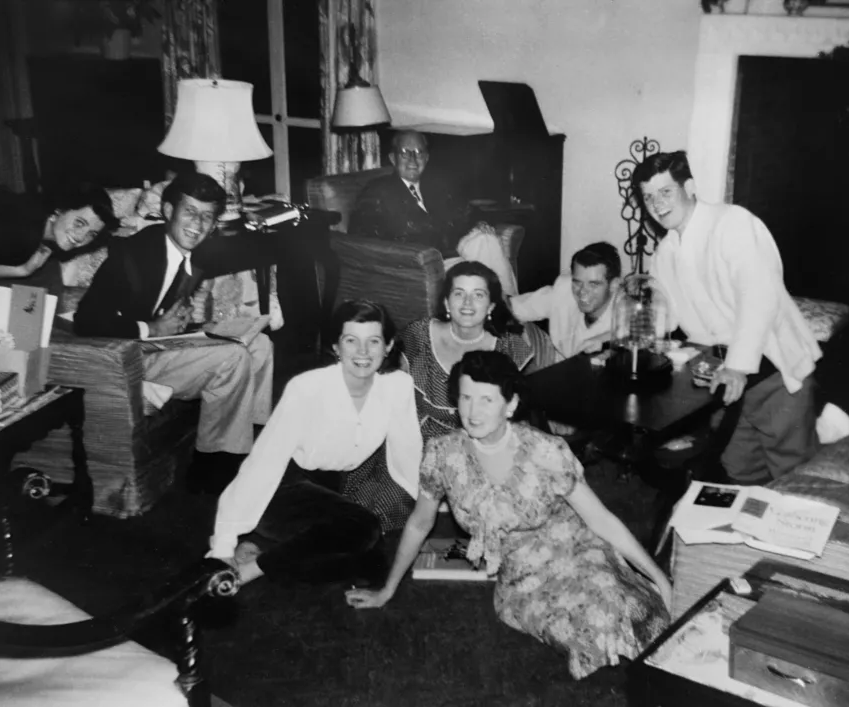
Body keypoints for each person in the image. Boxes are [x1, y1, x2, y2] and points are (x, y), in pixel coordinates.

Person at [345, 350, 671, 679]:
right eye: (466, 398)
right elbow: (419, 523)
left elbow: (601, 519)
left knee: (616, 605)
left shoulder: (546, 450)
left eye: (487, 400)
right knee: (586, 627)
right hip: (522, 581)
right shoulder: (442, 455)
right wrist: (387, 589)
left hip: (578, 550)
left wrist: (657, 576)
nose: (473, 411)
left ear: (510, 405)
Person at [74, 171, 274, 490]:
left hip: (163, 344)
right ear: (168, 211)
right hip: (129, 355)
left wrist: (192, 322)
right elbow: (86, 319)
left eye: (207, 217)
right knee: (233, 357)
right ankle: (214, 467)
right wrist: (150, 327)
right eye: (190, 212)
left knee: (261, 345)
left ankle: (256, 447)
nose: (198, 224)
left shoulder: (195, 249)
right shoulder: (134, 254)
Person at [631, 150, 822, 485]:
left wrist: (737, 365)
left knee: (793, 474)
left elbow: (758, 298)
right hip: (725, 378)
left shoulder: (733, 222)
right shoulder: (665, 253)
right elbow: (667, 317)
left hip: (772, 369)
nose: (657, 204)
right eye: (648, 197)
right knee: (737, 470)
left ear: (689, 187)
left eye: (665, 192)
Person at [207, 300, 423, 586]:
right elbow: (264, 462)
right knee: (363, 530)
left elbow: (407, 451)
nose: (362, 352)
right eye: (351, 340)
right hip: (282, 486)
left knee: (372, 565)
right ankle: (251, 569)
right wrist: (223, 543)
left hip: (334, 485)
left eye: (373, 341)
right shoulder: (306, 388)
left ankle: (265, 550)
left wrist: (424, 505)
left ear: (388, 346)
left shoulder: (397, 387)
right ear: (336, 346)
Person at [349, 130, 518, 295]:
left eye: (418, 152)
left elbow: (465, 212)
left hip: (452, 253)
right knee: (479, 274)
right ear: (393, 158)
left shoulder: (436, 186)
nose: (413, 159)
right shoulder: (377, 191)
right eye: (404, 153)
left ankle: (510, 305)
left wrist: (479, 223)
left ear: (427, 158)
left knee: (486, 239)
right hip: (421, 265)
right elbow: (364, 238)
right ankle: (509, 312)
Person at [399, 260, 532, 443]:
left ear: (491, 307)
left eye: (478, 295)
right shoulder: (418, 335)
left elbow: (520, 412)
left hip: (485, 442)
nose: (467, 303)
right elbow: (390, 390)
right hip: (419, 441)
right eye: (459, 293)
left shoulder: (510, 347)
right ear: (446, 302)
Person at [0, 183, 118, 281]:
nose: (80, 237)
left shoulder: (41, 226)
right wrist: (20, 271)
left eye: (92, 234)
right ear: (59, 210)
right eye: (79, 223)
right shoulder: (23, 233)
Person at [509, 242, 623, 363]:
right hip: (553, 367)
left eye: (593, 284)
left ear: (614, 285)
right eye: (577, 282)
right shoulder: (564, 289)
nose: (582, 292)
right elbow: (512, 308)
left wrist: (605, 338)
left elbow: (638, 334)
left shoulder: (627, 310)